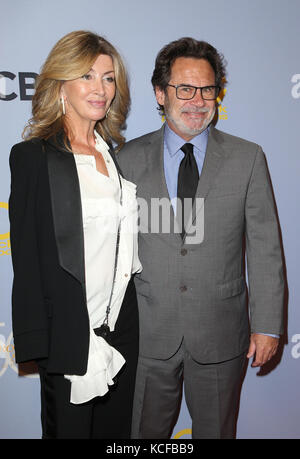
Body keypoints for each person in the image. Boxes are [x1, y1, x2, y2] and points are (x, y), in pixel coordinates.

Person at [117, 37, 285, 439]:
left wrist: (267, 326)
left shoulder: (248, 158)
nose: (198, 100)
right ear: (161, 93)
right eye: (184, 89)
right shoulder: (125, 160)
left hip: (221, 333)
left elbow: (265, 248)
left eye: (207, 89)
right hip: (146, 334)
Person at [9, 30, 141, 439]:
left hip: (121, 332)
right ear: (60, 83)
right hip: (69, 333)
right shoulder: (34, 156)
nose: (100, 88)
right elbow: (26, 259)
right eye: (86, 76)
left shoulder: (111, 153)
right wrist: (37, 344)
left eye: (108, 77)